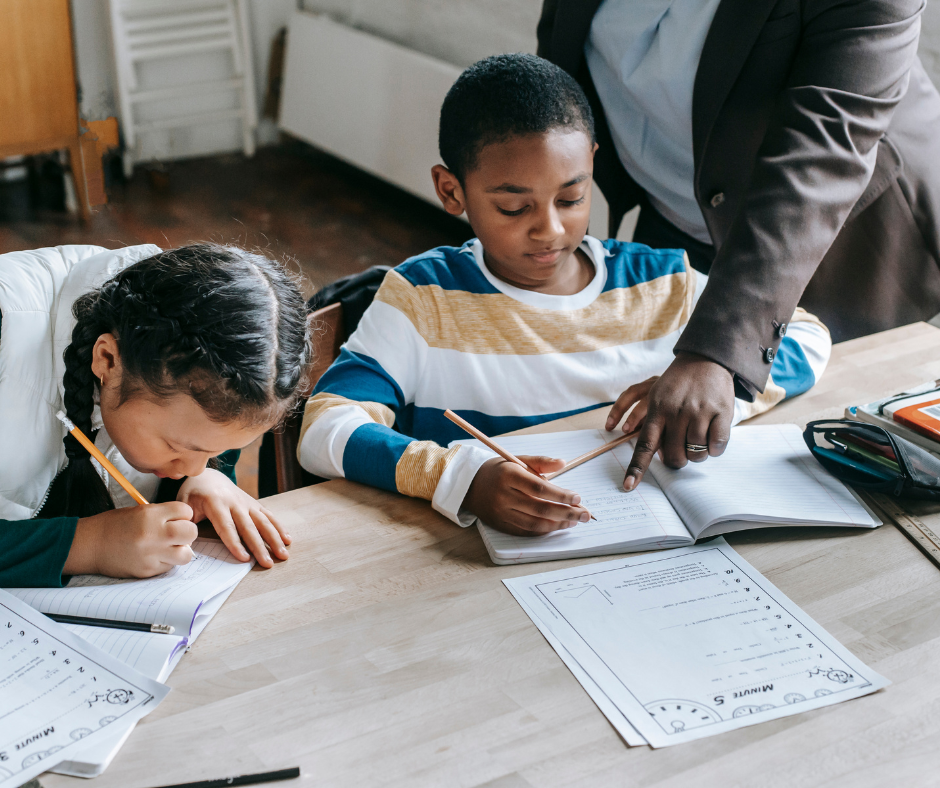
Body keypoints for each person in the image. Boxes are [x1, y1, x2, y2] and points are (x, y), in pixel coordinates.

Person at [296, 54, 831, 536]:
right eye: (514, 208)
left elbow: (807, 336)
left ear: (593, 164)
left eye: (572, 197)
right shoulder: (425, 298)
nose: (549, 229)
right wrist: (461, 477)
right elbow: (326, 426)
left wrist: (713, 393)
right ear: (451, 190)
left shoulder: (660, 280)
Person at [536, 0, 940, 490]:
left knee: (843, 463)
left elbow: (819, 160)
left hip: (846, 242)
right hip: (674, 217)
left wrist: (718, 353)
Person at [0, 242, 312, 587]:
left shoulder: (214, 373)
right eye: (178, 446)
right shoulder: (8, 331)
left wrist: (200, 484)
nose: (195, 466)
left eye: (215, 452)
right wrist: (89, 545)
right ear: (107, 361)